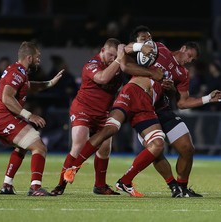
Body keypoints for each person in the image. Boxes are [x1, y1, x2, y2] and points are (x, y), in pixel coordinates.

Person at [51, 38, 163, 196]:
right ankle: (60, 185)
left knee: (104, 149)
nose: (112, 58)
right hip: (84, 109)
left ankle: (100, 185)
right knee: (79, 143)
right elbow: (102, 78)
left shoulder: (118, 63)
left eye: (114, 55)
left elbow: (127, 52)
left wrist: (138, 47)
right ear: (102, 51)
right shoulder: (92, 64)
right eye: (109, 55)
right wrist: (118, 58)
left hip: (103, 112)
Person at [130, 25, 221, 197]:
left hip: (164, 110)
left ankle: (182, 187)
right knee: (157, 150)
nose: (189, 61)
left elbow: (182, 103)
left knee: (188, 148)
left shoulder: (183, 73)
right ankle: (172, 185)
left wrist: (207, 98)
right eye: (189, 56)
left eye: (193, 60)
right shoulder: (162, 50)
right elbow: (127, 48)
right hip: (145, 109)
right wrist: (139, 46)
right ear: (182, 48)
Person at [0, 41, 64, 196]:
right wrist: (30, 115)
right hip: (3, 118)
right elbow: (7, 98)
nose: (39, 59)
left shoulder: (16, 70)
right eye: (37, 56)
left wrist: (49, 83)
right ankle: (35, 187)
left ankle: (7, 185)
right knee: (39, 147)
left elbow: (29, 86)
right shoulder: (18, 71)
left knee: (22, 146)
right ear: (29, 57)